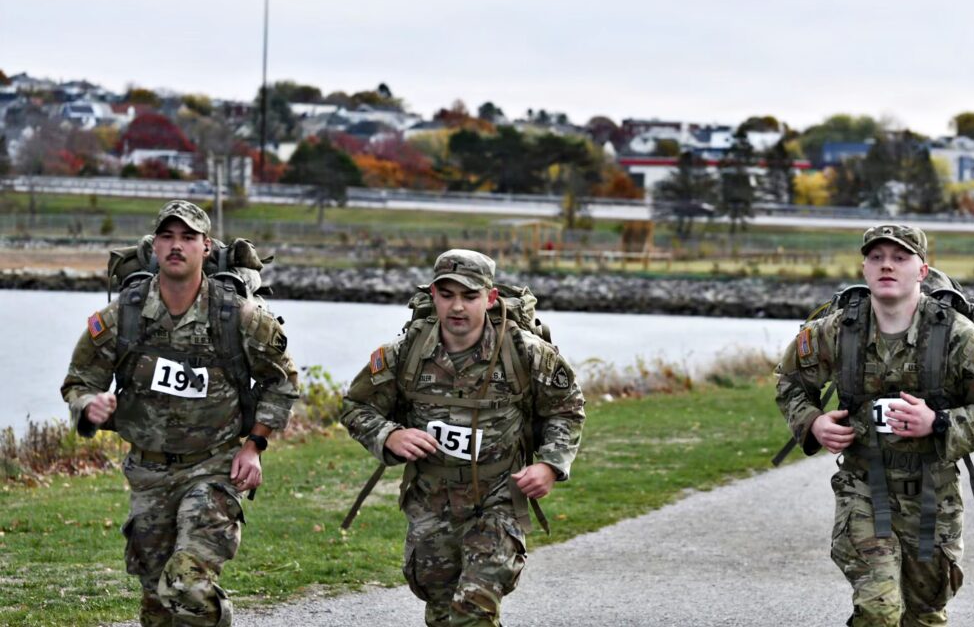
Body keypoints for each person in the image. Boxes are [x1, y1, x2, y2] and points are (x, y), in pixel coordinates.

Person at [61, 200, 298, 627]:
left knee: (186, 585)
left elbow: (281, 381)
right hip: (148, 474)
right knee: (157, 606)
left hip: (213, 469)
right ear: (153, 248)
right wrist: (88, 406)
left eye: (188, 237)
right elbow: (78, 381)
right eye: (167, 236)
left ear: (205, 247)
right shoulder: (122, 318)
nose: (176, 246)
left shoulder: (238, 317)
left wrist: (254, 445)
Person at [775, 224, 974, 626]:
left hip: (932, 495)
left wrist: (938, 423)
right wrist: (813, 422)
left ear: (921, 271)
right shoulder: (837, 332)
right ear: (865, 269)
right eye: (877, 258)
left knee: (925, 615)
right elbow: (790, 383)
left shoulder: (958, 337)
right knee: (879, 609)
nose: (887, 266)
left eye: (900, 258)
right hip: (863, 487)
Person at [340, 249, 585, 627]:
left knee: (473, 609)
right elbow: (356, 406)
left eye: (469, 296)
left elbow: (566, 408)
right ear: (432, 295)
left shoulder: (524, 351)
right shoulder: (406, 353)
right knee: (441, 611)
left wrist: (551, 465)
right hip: (430, 501)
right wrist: (389, 435)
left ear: (489, 299)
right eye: (447, 294)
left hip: (498, 499)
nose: (457, 307)